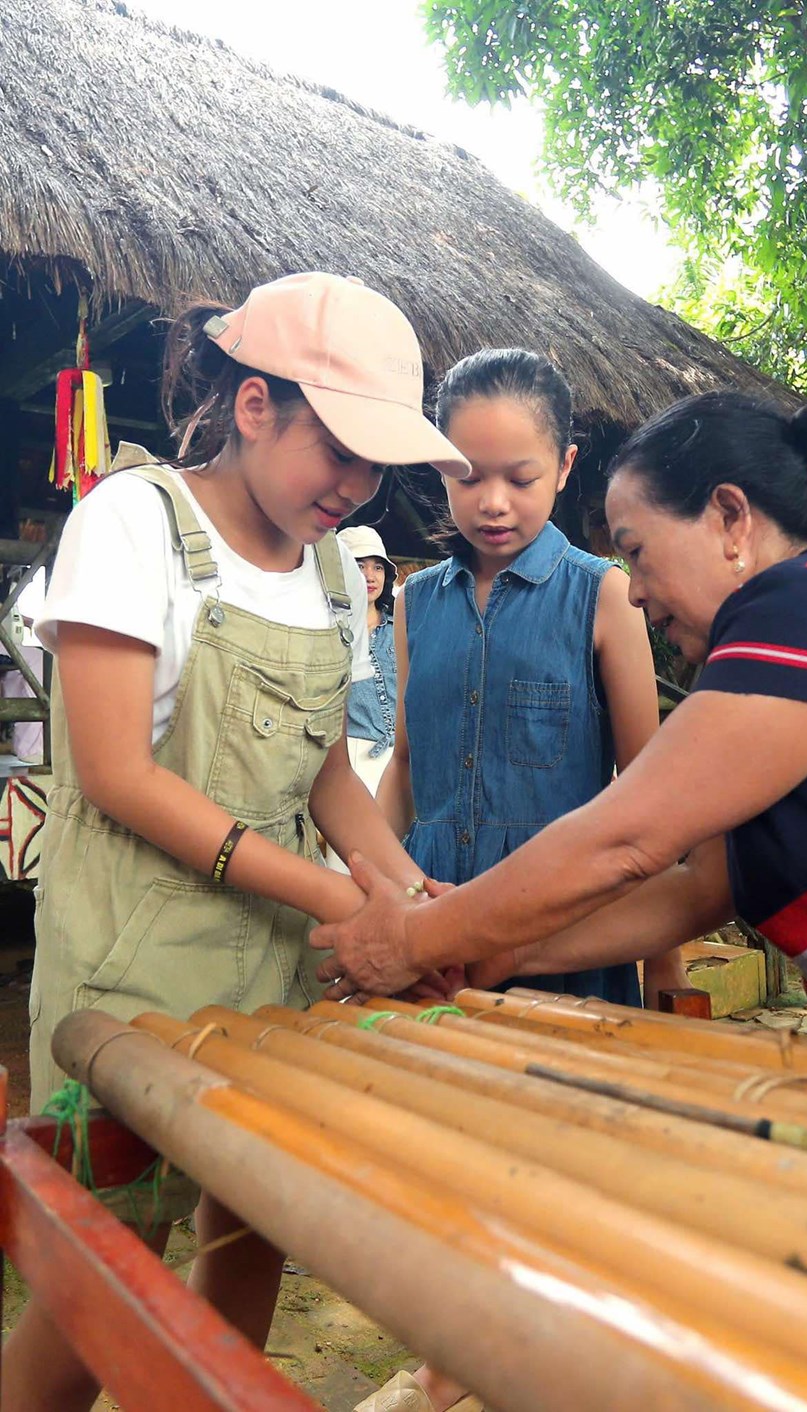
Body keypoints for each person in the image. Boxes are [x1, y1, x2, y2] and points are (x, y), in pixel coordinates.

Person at [3, 272, 469, 1412]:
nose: (355, 486)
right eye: (338, 448)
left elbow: (319, 776)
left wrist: (413, 897)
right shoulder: (132, 517)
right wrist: (332, 897)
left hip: (270, 962)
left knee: (250, 1224)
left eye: (374, 464)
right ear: (253, 404)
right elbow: (115, 773)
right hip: (131, 960)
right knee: (94, 1269)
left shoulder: (327, 567)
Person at [316, 391, 807, 1117]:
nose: (636, 592)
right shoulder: (785, 648)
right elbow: (700, 887)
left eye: (638, 552)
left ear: (731, 519)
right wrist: (501, 955)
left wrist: (417, 938)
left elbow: (627, 840)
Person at [375, 346, 673, 1011]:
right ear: (439, 467)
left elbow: (652, 802)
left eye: (520, 478)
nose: (493, 503)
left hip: (563, 934)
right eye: (470, 478)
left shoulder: (604, 597)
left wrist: (666, 970)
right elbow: (403, 764)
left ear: (565, 468)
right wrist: (377, 894)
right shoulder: (414, 602)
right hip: (432, 937)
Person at [335, 524, 399, 796]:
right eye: (359, 565)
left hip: (400, 760)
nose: (370, 576)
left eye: (378, 567)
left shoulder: (403, 628)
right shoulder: (329, 633)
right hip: (349, 758)